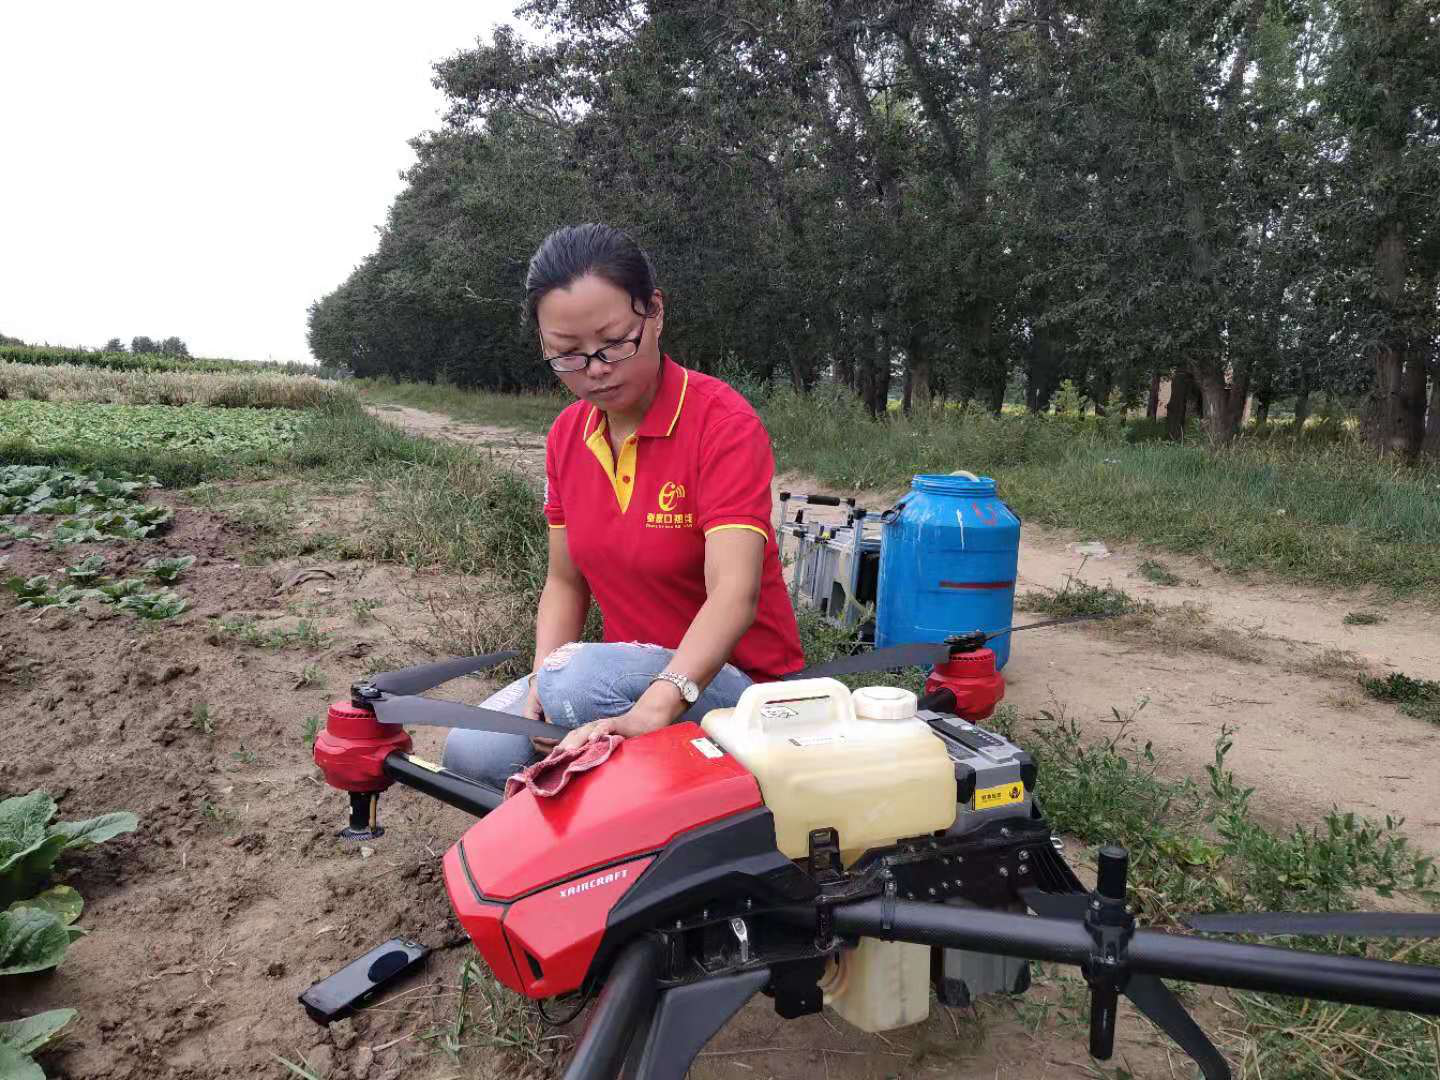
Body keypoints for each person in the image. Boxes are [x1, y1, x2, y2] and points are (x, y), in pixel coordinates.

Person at [443, 223, 805, 789]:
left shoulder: (721, 424)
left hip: (743, 689)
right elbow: (565, 582)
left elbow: (735, 593)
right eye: (567, 355)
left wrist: (652, 711)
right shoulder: (567, 436)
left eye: (614, 343)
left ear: (654, 312)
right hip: (620, 677)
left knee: (577, 687)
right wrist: (540, 683)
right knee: (474, 752)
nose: (594, 369)